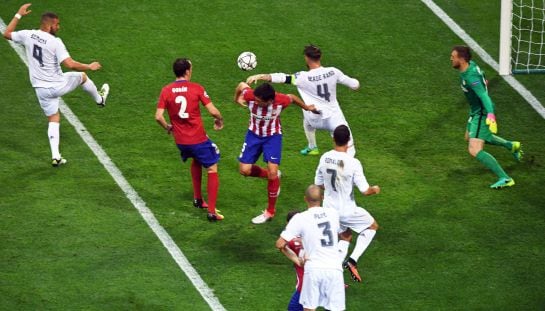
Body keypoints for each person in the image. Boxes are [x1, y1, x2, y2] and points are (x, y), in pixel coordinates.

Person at [3, 3, 110, 167]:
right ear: (50, 24)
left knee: (53, 118)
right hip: (57, 84)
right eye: (57, 24)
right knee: (82, 76)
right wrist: (89, 66)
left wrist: (18, 14)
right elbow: (70, 64)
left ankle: (56, 156)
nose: (58, 27)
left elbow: (7, 33)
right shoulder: (55, 42)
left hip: (40, 89)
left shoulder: (28, 34)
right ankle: (99, 99)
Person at [246, 44, 360, 157]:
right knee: (349, 149)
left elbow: (282, 77)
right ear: (320, 57)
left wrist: (260, 76)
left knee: (307, 110)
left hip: (314, 119)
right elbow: (355, 85)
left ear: (306, 58)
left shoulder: (301, 77)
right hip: (334, 120)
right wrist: (354, 84)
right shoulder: (333, 71)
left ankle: (312, 146)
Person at [234, 81, 319, 224]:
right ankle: (273, 177)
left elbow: (291, 97)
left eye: (259, 101)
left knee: (272, 171)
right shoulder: (250, 95)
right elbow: (242, 84)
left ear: (270, 101)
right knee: (244, 170)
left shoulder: (281, 100)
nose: (255, 102)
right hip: (253, 135)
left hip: (272, 136)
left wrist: (306, 107)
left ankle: (270, 212)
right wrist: (236, 98)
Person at [155, 58, 224, 221]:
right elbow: (213, 111)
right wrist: (219, 119)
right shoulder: (196, 88)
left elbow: (158, 116)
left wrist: (168, 127)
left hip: (181, 142)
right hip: (197, 139)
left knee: (196, 160)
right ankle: (212, 212)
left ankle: (198, 199)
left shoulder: (166, 90)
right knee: (213, 168)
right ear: (187, 71)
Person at [314, 125, 380, 283]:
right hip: (347, 210)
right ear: (349, 141)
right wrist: (375, 189)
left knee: (345, 236)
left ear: (333, 139)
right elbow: (365, 190)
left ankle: (332, 275)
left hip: (329, 208)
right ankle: (352, 261)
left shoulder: (324, 157)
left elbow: (318, 183)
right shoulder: (353, 162)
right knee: (372, 227)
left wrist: (332, 188)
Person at [450, 46, 523, 189]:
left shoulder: (471, 76)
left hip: (482, 113)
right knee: (468, 137)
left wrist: (490, 114)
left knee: (474, 149)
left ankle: (505, 178)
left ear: (462, 59)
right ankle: (511, 145)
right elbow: (484, 81)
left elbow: (483, 95)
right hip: (475, 110)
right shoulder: (471, 67)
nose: (451, 58)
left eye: (453, 56)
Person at [276, 185, 347, 311]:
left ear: (305, 199)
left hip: (314, 269)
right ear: (322, 198)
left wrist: (297, 260)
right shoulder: (333, 213)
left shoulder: (300, 218)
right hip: (335, 269)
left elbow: (280, 244)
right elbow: (345, 235)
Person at [284, 210, 352, 311]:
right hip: (330, 278)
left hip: (307, 283)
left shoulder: (291, 240)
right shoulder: (315, 232)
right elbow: (346, 237)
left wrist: (296, 258)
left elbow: (281, 245)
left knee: (295, 308)